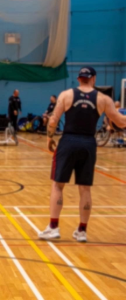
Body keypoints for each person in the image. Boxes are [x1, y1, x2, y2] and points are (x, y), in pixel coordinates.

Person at [39, 66, 126, 242]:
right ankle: (82, 231)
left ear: (79, 79)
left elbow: (53, 120)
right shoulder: (103, 99)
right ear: (93, 79)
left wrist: (49, 138)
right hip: (88, 143)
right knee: (85, 189)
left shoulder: (66, 95)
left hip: (68, 142)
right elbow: (121, 122)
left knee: (58, 185)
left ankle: (54, 227)